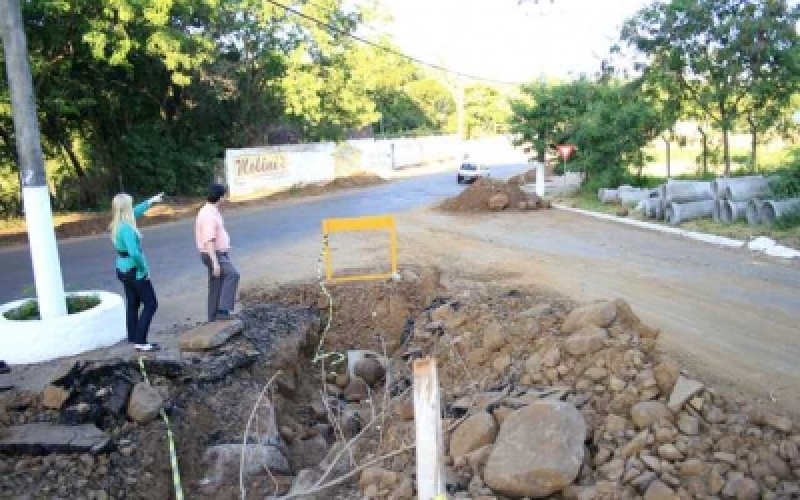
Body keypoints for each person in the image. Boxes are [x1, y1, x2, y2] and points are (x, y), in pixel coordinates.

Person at [110, 192, 164, 352]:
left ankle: (133, 335)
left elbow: (136, 211)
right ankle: (140, 341)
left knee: (133, 303)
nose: (133, 208)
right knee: (151, 304)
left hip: (122, 269)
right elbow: (134, 254)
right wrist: (144, 270)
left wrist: (151, 201)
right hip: (134, 271)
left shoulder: (117, 223)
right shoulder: (127, 229)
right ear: (126, 209)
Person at [195, 183, 240, 322]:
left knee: (216, 283)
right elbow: (209, 240)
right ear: (220, 197)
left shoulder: (210, 210)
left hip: (216, 253)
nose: (225, 199)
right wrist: (215, 262)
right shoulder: (208, 215)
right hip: (213, 253)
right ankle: (222, 311)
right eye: (224, 196)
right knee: (233, 274)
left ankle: (213, 315)